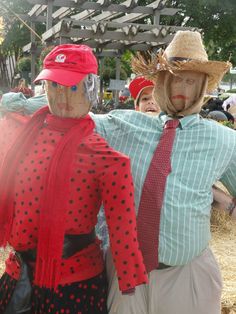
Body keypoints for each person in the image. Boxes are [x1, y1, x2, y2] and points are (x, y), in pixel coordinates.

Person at [92, 30, 236, 314]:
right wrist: (21, 104)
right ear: (160, 82)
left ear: (203, 86)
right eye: (173, 77)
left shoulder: (224, 140)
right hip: (126, 278)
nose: (181, 85)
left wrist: (225, 203)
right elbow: (75, 119)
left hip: (188, 278)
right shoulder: (124, 125)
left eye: (191, 79)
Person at [0, 44, 148, 314]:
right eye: (54, 86)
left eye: (73, 87)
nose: (62, 98)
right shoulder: (24, 137)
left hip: (73, 286)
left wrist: (129, 281)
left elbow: (123, 231)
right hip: (18, 276)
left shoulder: (107, 159)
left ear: (91, 88)